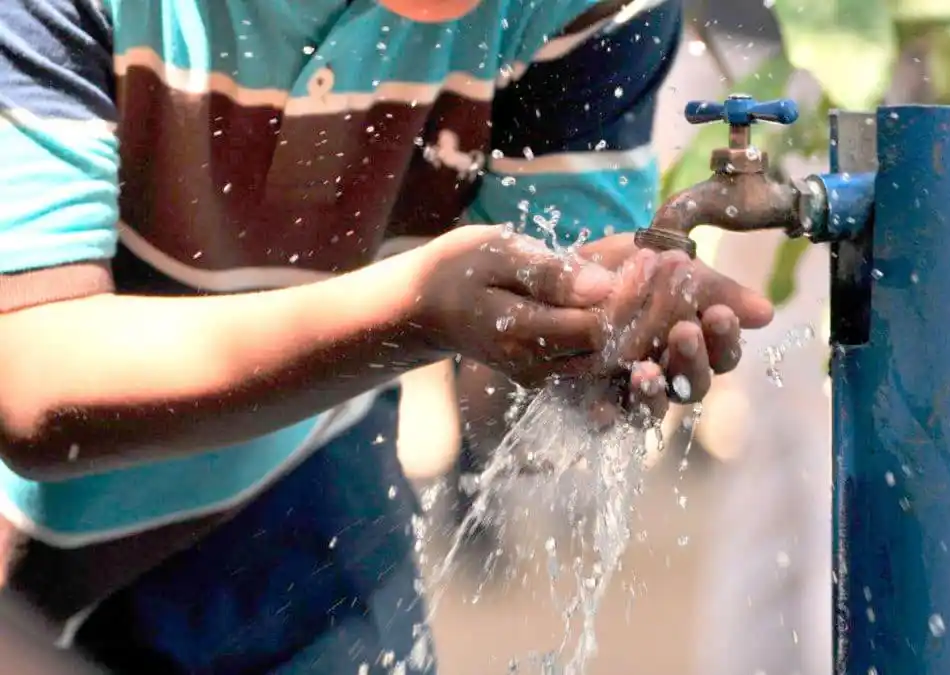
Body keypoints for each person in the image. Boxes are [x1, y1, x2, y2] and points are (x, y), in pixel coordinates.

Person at [0, 0, 775, 672]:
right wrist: (407, 314)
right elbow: (29, 372)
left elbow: (546, 332)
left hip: (298, 499)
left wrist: (604, 332)